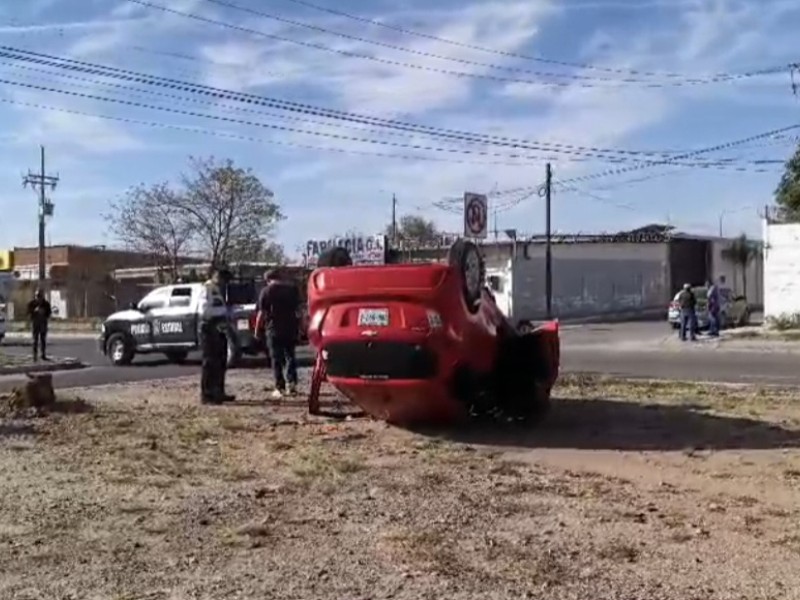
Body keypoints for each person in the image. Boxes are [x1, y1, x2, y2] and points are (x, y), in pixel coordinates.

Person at [257, 269, 301, 399]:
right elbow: (299, 310)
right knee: (290, 356)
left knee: (276, 358)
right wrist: (302, 326)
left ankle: (279, 386)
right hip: (290, 327)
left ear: (268, 279)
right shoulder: (292, 290)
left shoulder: (266, 291)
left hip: (273, 328)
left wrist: (257, 330)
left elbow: (261, 312)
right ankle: (291, 384)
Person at [199, 267, 235, 405]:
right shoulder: (207, 289)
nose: (224, 283)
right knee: (210, 361)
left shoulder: (219, 290)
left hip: (220, 326)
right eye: (222, 279)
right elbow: (205, 309)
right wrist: (217, 317)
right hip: (209, 326)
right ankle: (207, 394)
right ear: (216, 276)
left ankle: (219, 391)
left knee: (221, 360)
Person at [27, 288, 52, 361]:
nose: (38, 298)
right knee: (35, 340)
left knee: (43, 339)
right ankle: (34, 355)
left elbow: (49, 313)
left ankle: (43, 354)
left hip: (43, 323)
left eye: (40, 296)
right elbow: (28, 312)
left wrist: (44, 312)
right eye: (37, 296)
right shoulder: (32, 303)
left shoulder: (46, 304)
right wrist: (34, 311)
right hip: (35, 323)